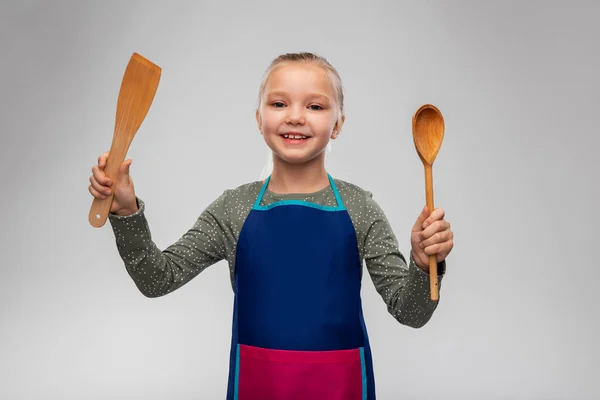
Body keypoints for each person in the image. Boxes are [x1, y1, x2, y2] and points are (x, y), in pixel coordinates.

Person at [88, 52, 454, 400]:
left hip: (340, 384)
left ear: (338, 123)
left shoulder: (361, 208)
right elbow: (157, 279)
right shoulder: (233, 208)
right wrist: (126, 213)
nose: (295, 116)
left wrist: (424, 265)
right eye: (279, 104)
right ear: (259, 118)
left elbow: (411, 312)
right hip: (258, 381)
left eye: (315, 105)